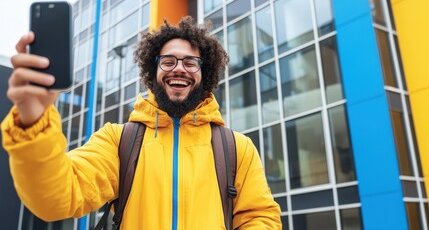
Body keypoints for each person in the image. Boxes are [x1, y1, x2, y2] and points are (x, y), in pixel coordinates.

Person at [2, 16, 281, 229]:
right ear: (153, 70)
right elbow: (57, 197)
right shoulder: (117, 140)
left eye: (190, 62)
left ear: (204, 73)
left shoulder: (237, 148)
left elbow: (261, 216)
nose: (179, 68)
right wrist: (33, 120)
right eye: (168, 61)